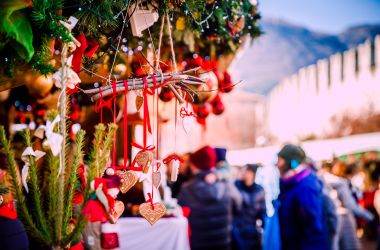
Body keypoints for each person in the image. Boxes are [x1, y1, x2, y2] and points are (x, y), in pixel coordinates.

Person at [178, 145, 242, 250]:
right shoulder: (227, 185)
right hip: (223, 243)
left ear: (195, 166)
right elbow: (238, 206)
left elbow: (180, 213)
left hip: (197, 244)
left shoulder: (187, 188)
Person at [276, 144, 327, 250]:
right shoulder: (289, 185)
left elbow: (313, 231)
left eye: (280, 160)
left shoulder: (304, 189)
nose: (277, 164)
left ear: (292, 163)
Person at [322, 160, 374, 250]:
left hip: (330, 218)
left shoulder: (323, 181)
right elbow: (351, 206)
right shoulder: (340, 183)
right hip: (344, 218)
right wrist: (371, 217)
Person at [232, 164, 266, 250]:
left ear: (252, 173)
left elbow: (262, 212)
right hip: (237, 230)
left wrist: (263, 230)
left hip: (252, 231)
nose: (243, 173)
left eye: (245, 171)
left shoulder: (259, 190)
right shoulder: (236, 186)